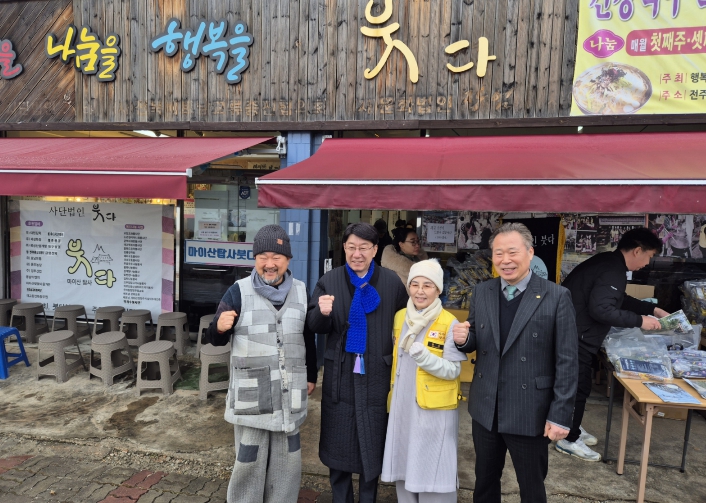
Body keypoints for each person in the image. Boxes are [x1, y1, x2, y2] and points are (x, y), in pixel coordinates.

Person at [452, 222, 578, 503]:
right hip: (486, 408)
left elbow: (568, 361)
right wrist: (464, 340)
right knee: (484, 482)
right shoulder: (482, 291)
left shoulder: (556, 296)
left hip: (530, 410)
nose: (505, 260)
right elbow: (477, 339)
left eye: (512, 252)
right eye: (498, 253)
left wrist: (560, 415)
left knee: (531, 486)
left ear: (530, 253)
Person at [206, 224, 318, 503]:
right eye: (263, 257)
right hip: (252, 397)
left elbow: (307, 337)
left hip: (290, 392)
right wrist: (218, 327)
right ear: (255, 259)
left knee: (287, 463)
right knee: (249, 461)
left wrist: (311, 375)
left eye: (276, 257)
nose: (270, 264)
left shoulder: (301, 291)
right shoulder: (237, 292)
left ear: (288, 259)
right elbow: (215, 340)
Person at [308, 222, 408, 503]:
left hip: (376, 374)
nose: (357, 254)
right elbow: (314, 326)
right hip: (340, 376)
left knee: (371, 447)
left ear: (375, 250)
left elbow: (405, 321)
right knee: (338, 447)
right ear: (344, 248)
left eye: (364, 248)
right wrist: (322, 313)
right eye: (351, 247)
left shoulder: (391, 282)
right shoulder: (329, 281)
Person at [559, 227, 669, 462]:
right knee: (578, 387)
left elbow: (619, 299)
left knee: (574, 386)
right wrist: (641, 321)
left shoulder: (610, 263)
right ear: (637, 250)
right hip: (575, 336)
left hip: (575, 332)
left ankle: (569, 426)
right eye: (649, 256)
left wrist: (652, 309)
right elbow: (602, 309)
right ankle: (568, 439)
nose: (646, 264)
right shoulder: (612, 269)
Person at [381, 259, 467, 502]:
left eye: (427, 285)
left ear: (438, 290)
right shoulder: (400, 317)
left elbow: (453, 371)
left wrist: (425, 358)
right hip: (403, 403)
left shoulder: (449, 322)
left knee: (434, 465)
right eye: (415, 284)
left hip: (434, 410)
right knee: (404, 461)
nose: (420, 291)